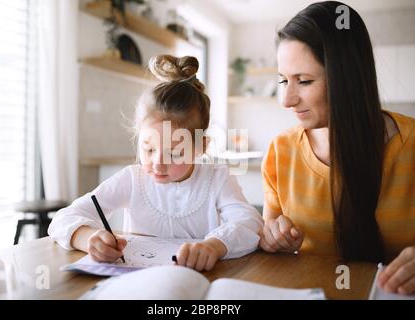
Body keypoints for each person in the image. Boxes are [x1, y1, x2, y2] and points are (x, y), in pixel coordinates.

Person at [48, 55, 263, 272]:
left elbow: (249, 222)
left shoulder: (217, 178)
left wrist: (214, 246)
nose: (157, 164)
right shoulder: (132, 179)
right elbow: (63, 219)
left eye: (174, 153)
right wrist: (88, 238)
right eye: (149, 149)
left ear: (201, 147)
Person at [259, 1, 415, 294]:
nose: (286, 99)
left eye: (303, 81)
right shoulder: (280, 151)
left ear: (348, 79)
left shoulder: (411, 145)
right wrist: (272, 239)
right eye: (283, 80)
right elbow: (270, 238)